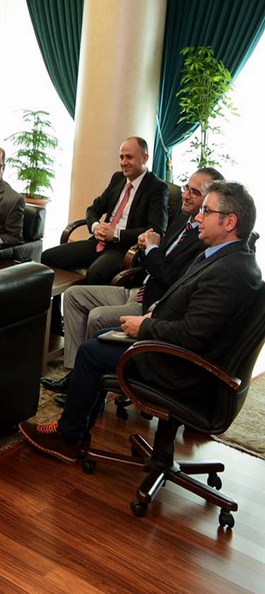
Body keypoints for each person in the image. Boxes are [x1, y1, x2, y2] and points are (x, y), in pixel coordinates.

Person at [20, 180, 262, 463]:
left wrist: (145, 326)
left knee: (90, 352)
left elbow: (192, 335)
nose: (198, 217)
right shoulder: (231, 259)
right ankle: (77, 429)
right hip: (181, 353)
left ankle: (67, 437)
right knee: (102, 337)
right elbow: (194, 316)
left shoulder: (228, 272)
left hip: (183, 370)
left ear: (230, 222)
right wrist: (152, 316)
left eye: (206, 211)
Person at [46, 167, 222, 395]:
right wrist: (146, 245)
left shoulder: (205, 239)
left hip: (152, 304)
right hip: (139, 287)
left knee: (97, 316)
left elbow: (172, 280)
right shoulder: (182, 219)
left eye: (195, 193)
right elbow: (160, 254)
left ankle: (89, 388)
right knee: (73, 296)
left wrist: (151, 249)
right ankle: (75, 372)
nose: (186, 195)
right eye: (186, 188)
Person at [41, 136, 169, 284]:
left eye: (129, 157)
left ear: (145, 158)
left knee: (96, 272)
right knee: (48, 256)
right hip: (99, 241)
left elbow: (156, 229)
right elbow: (93, 209)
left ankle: (81, 299)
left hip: (125, 249)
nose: (123, 162)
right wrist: (96, 227)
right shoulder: (118, 178)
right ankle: (56, 300)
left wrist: (115, 234)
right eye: (121, 157)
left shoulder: (157, 188)